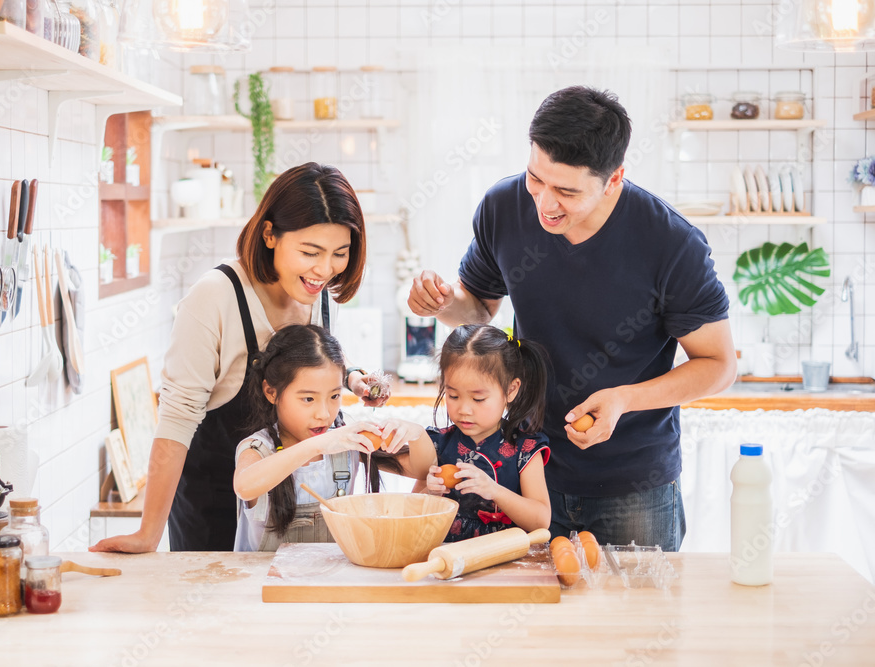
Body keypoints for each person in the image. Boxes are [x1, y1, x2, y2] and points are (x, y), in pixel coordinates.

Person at [408, 87, 737, 551]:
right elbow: (479, 309)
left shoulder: (671, 244)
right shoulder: (503, 207)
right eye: (536, 179)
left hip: (634, 484)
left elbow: (719, 364)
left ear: (614, 178)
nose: (545, 203)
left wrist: (623, 399)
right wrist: (442, 304)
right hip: (525, 471)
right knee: (531, 617)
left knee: (638, 617)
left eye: (566, 191)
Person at [92, 163, 387, 553]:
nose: (324, 269)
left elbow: (305, 366)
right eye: (310, 252)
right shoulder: (215, 296)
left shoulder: (317, 293)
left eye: (340, 254)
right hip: (215, 515)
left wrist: (351, 377)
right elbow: (176, 419)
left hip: (292, 520)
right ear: (269, 234)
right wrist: (148, 535)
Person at [233, 324, 435, 551]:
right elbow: (244, 487)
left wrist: (417, 433)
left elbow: (422, 470)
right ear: (271, 392)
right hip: (267, 584)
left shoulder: (344, 441)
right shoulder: (258, 448)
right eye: (308, 399)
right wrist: (318, 444)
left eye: (335, 396)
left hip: (330, 582)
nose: (324, 413)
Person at [416, 324, 551, 542]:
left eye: (478, 399)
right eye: (453, 396)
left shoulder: (524, 449)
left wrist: (494, 491)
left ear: (511, 390)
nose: (464, 410)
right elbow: (411, 510)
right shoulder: (436, 444)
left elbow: (541, 520)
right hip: (447, 559)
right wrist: (429, 494)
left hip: (504, 561)